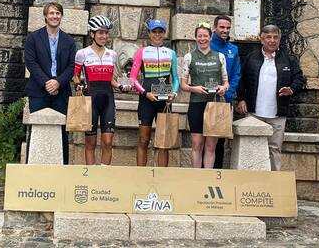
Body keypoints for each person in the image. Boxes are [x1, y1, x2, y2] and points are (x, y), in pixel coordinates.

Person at [236, 24, 306, 171]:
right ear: (261, 39)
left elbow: (299, 78)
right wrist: (241, 99)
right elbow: (241, 79)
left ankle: (274, 180)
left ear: (279, 40)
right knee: (252, 149)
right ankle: (251, 180)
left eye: (275, 37)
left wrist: (291, 89)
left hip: (277, 114)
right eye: (268, 37)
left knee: (274, 149)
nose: (272, 40)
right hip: (254, 113)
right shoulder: (251, 58)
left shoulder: (288, 59)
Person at [24, 2, 76, 164]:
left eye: (58, 13)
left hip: (61, 92)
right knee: (36, 130)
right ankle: (33, 169)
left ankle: (62, 169)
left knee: (62, 133)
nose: (55, 16)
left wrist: (58, 82)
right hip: (38, 91)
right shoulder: (33, 38)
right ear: (45, 16)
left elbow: (72, 66)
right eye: (52, 13)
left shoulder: (69, 41)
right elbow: (31, 62)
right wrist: (47, 83)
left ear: (61, 16)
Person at [129, 19, 179, 167]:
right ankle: (141, 174)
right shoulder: (141, 52)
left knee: (164, 142)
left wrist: (174, 94)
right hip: (147, 100)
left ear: (164, 33)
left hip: (165, 102)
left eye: (160, 32)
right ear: (149, 34)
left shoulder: (171, 53)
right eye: (154, 32)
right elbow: (132, 78)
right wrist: (145, 93)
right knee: (143, 140)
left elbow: (176, 79)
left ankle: (162, 176)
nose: (157, 35)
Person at [180, 22, 230, 168]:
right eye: (199, 36)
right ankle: (197, 176)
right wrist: (194, 89)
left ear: (210, 37)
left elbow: (226, 82)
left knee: (210, 146)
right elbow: (183, 85)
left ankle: (208, 176)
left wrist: (223, 88)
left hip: (214, 105)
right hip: (196, 103)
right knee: (197, 144)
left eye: (205, 36)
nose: (202, 39)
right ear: (195, 38)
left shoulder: (220, 56)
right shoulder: (189, 57)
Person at [73, 16, 121, 166]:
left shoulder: (112, 54)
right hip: (90, 100)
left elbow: (112, 80)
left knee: (107, 142)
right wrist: (78, 84)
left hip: (108, 99)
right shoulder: (82, 54)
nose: (104, 36)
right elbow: (75, 76)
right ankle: (91, 175)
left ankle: (104, 175)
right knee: (90, 143)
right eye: (100, 33)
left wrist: (121, 86)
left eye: (106, 33)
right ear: (92, 34)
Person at [209, 15, 241, 168]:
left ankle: (217, 174)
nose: (225, 30)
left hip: (224, 101)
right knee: (205, 139)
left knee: (219, 141)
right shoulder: (207, 45)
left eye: (228, 28)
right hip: (206, 99)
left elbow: (236, 74)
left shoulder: (233, 49)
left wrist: (228, 92)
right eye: (222, 27)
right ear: (214, 28)